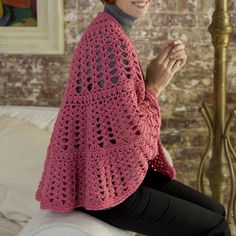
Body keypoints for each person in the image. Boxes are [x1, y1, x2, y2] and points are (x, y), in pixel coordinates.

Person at [35, 0, 231, 235]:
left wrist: (152, 82)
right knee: (216, 226)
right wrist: (155, 87)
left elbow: (118, 123)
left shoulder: (110, 29)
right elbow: (135, 137)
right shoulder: (109, 40)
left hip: (110, 178)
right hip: (107, 191)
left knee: (217, 211)